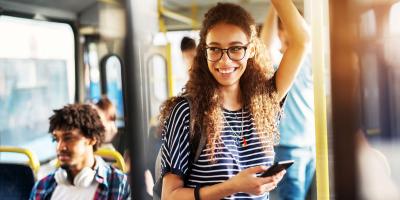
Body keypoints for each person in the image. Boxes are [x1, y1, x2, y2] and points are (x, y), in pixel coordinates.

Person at [159, 0, 309, 199]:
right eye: (214, 49)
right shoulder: (186, 112)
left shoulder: (264, 102)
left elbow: (302, 41)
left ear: (251, 50)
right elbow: (170, 196)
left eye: (236, 48)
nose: (225, 60)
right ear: (205, 52)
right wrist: (231, 187)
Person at [260, 6, 315, 200]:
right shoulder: (277, 65)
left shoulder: (310, 59)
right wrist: (274, 9)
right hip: (288, 146)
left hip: (311, 144)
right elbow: (265, 48)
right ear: (282, 32)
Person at [30, 104, 130, 200]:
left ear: (92, 139)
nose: (59, 147)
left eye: (68, 138)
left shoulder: (119, 185)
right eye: (56, 139)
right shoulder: (43, 186)